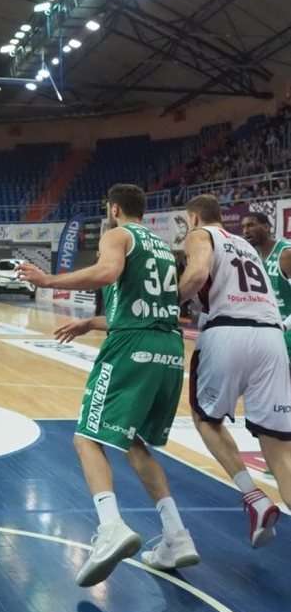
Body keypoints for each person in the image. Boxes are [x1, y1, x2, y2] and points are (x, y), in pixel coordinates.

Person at [20, 184, 199, 586]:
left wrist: (49, 281)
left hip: (132, 348)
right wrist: (90, 321)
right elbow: (148, 305)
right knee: (135, 444)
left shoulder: (118, 234)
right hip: (169, 349)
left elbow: (108, 273)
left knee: (86, 439)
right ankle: (176, 536)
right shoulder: (163, 247)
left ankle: (111, 527)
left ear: (114, 208)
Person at [181, 194, 291, 548]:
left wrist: (164, 304)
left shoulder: (200, 236)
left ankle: (255, 498)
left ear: (194, 218)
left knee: (205, 419)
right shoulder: (246, 245)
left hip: (227, 330)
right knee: (279, 451)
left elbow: (197, 274)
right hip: (272, 339)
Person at [242, 212, 291, 364]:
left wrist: (283, 326)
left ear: (267, 227)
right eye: (243, 227)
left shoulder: (286, 254)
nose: (245, 231)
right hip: (268, 333)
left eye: (251, 225)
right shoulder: (251, 256)